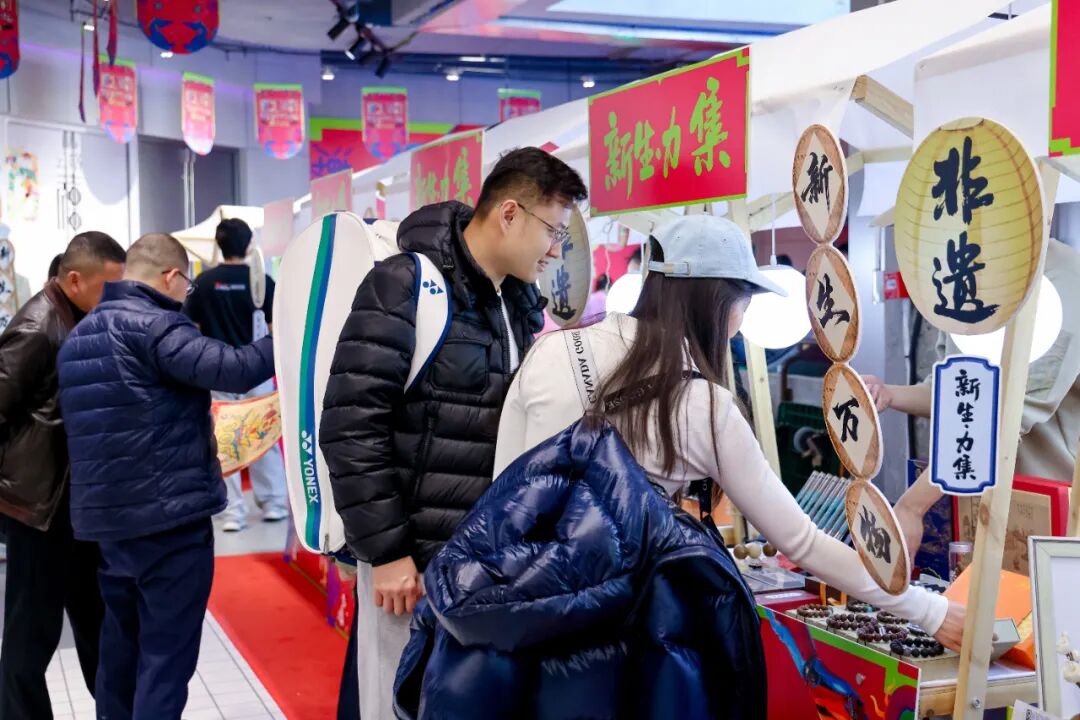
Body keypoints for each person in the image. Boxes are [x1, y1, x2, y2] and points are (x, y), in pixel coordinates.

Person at [494, 215, 965, 651]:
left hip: (518, 621)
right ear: (719, 302)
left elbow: (502, 495)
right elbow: (802, 541)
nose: (738, 328)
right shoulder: (703, 406)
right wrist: (928, 609)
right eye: (744, 304)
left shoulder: (551, 351)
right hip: (615, 639)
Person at [319, 146, 588, 717]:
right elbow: (351, 425)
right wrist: (387, 553)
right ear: (509, 213)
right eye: (552, 231)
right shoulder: (405, 284)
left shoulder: (517, 303)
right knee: (395, 702)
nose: (555, 250)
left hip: (481, 558)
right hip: (410, 563)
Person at [57, 233, 275, 720]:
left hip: (108, 526)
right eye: (187, 286)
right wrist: (288, 336)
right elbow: (236, 370)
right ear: (172, 277)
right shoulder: (155, 326)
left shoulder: (78, 338)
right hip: (169, 523)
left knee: (120, 651)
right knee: (165, 660)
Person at [865, 237, 1080, 560]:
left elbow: (1008, 416)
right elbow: (956, 394)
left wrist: (913, 505)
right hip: (982, 503)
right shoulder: (967, 276)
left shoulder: (1063, 275)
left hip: (1057, 506)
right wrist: (889, 394)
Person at [0, 232, 125, 720]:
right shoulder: (39, 325)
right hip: (38, 511)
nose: (114, 297)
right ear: (74, 279)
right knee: (31, 636)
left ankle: (115, 710)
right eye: (107, 287)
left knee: (97, 622)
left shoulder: (76, 318)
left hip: (74, 507)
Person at [183, 218, 286, 531]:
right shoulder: (263, 281)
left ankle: (232, 512)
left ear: (218, 244)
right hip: (258, 369)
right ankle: (274, 503)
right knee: (263, 436)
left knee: (223, 441)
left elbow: (192, 329)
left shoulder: (202, 283)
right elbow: (276, 329)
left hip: (217, 370)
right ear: (249, 244)